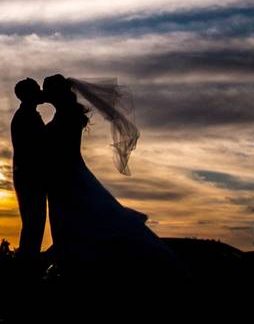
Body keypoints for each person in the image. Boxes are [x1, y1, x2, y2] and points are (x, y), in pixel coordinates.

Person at [41, 73, 185, 282]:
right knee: (80, 220)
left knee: (80, 219)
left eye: (47, 90)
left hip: (68, 176)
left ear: (56, 93)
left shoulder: (67, 116)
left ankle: (81, 268)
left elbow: (59, 147)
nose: (45, 94)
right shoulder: (66, 114)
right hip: (64, 175)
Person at [10, 77, 47, 270]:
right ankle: (27, 269)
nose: (41, 92)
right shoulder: (26, 116)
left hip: (29, 177)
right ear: (29, 94)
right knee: (33, 224)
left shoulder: (28, 114)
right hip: (30, 178)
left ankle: (28, 265)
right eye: (37, 89)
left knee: (34, 224)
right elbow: (37, 148)